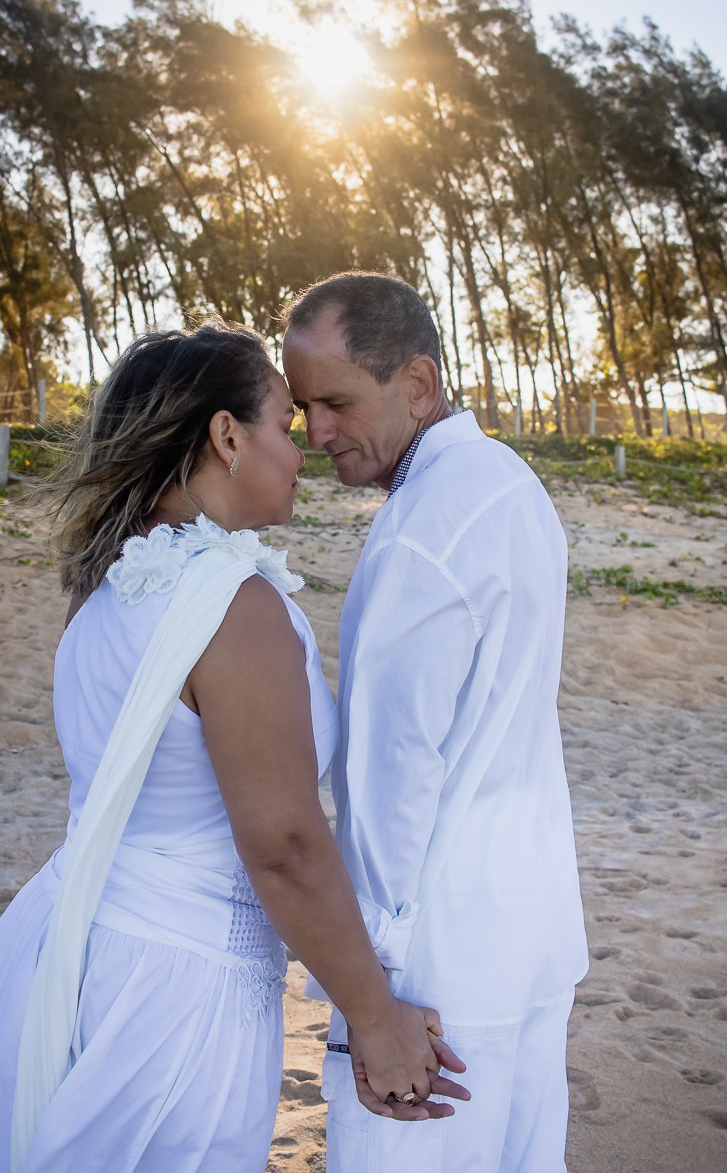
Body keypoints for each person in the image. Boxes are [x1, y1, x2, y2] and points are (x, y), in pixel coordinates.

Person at [0, 322, 469, 1173]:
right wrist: (376, 1019)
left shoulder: (105, 584)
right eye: (281, 420)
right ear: (227, 436)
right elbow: (286, 847)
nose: (304, 444)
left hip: (66, 948)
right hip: (173, 992)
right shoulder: (235, 608)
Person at [282, 274, 589, 1172]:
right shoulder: (512, 484)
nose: (318, 433)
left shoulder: (421, 535)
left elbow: (394, 783)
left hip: (436, 976)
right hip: (529, 931)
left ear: (416, 385)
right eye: (303, 409)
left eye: (337, 402)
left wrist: (374, 1001)